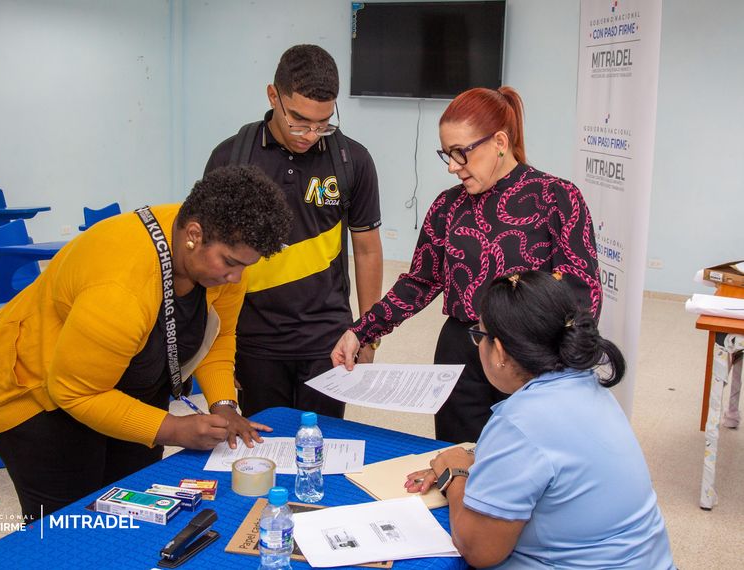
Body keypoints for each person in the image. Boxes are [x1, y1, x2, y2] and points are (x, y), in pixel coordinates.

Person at [0, 165, 292, 520]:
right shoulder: (121, 288)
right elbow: (75, 392)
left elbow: (217, 336)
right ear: (194, 234)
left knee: (132, 509)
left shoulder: (218, 252)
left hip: (127, 385)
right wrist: (174, 428)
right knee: (71, 525)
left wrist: (223, 405)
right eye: (231, 263)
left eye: (245, 266)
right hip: (44, 397)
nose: (236, 277)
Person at [332, 86, 600, 443]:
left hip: (532, 359)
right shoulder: (448, 206)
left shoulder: (557, 197)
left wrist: (559, 369)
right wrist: (361, 331)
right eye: (447, 154)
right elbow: (419, 282)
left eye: (461, 153)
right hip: (461, 354)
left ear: (499, 141)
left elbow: (583, 295)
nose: (453, 167)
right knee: (458, 456)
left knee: (526, 458)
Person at [407, 271, 674, 569]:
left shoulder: (519, 422)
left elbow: (480, 551)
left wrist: (454, 472)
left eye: (479, 335)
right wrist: (478, 460)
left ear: (499, 351)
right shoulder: (590, 388)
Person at [204, 45, 383, 419]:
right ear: (273, 96)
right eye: (299, 120)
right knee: (265, 443)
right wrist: (216, 347)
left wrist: (368, 333)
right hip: (253, 339)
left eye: (323, 123)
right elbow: (210, 259)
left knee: (325, 441)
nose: (311, 134)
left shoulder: (353, 160)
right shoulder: (230, 158)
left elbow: (367, 250)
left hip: (328, 340)